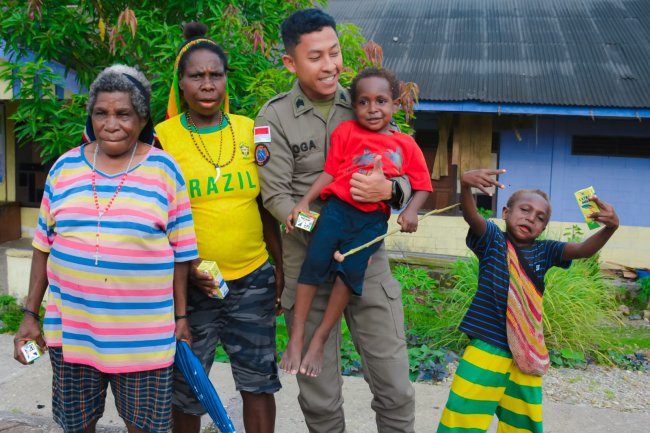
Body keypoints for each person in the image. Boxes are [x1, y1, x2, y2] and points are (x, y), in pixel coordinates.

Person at [12, 64, 198, 433]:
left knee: (145, 426)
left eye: (123, 114)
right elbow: (42, 247)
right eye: (101, 113)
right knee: (77, 425)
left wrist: (181, 318)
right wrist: (31, 314)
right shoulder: (64, 168)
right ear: (91, 116)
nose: (111, 123)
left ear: (142, 118)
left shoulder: (165, 171)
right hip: (73, 332)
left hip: (144, 339)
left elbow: (182, 254)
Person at [255, 8, 416, 433]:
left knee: (396, 388)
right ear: (291, 62)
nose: (330, 65)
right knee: (320, 400)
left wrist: (390, 192)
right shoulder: (273, 119)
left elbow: (402, 174)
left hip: (368, 263)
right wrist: (324, 232)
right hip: (309, 271)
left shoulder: (367, 100)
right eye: (316, 57)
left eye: (335, 52)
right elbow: (277, 200)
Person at [155, 22, 283, 433]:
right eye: (197, 76)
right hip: (190, 286)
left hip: (252, 279)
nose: (207, 84)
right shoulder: (162, 138)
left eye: (216, 74)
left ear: (226, 79)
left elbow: (267, 205)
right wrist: (185, 268)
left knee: (259, 383)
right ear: (181, 82)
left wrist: (279, 270)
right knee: (188, 386)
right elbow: (154, 217)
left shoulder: (250, 131)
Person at [437, 168, 619, 433]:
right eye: (524, 210)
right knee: (463, 416)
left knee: (523, 423)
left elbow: (582, 250)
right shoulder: (492, 240)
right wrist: (465, 186)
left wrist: (611, 228)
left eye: (539, 217)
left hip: (526, 354)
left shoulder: (546, 251)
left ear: (543, 228)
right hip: (487, 347)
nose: (531, 218)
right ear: (506, 213)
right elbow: (472, 216)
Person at [281, 67, 433, 377]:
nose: (373, 109)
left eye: (381, 101)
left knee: (348, 276)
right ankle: (297, 337)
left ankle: (319, 338)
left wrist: (411, 211)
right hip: (335, 212)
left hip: (371, 223)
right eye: (363, 102)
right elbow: (330, 172)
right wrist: (304, 201)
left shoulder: (406, 145)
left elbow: (423, 186)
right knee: (312, 266)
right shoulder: (346, 133)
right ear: (353, 106)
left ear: (394, 103)